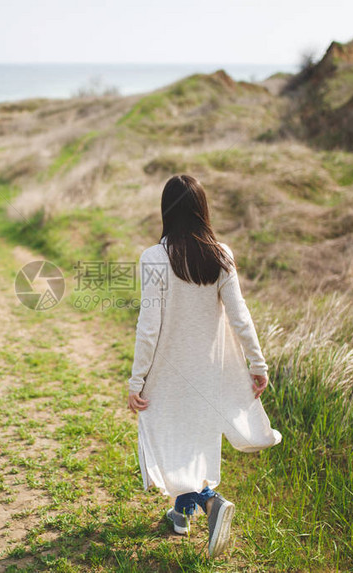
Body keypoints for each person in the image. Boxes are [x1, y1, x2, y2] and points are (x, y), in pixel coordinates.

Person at [127, 174, 283, 559]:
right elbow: (240, 316)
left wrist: (137, 379)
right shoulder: (220, 254)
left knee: (168, 440)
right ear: (202, 210)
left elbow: (149, 327)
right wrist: (257, 362)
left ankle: (212, 503)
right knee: (194, 440)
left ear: (166, 210)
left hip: (168, 370)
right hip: (208, 370)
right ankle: (181, 517)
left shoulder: (154, 258)